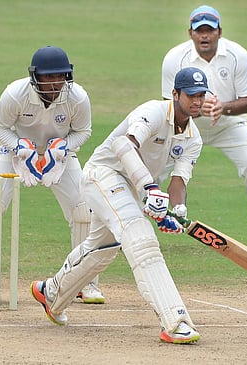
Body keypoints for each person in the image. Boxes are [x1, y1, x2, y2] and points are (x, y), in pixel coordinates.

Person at [30, 67, 210, 344]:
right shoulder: (152, 112)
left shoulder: (193, 138)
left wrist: (176, 211)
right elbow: (122, 147)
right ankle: (176, 321)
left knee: (102, 249)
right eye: (191, 95)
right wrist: (149, 189)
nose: (197, 101)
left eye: (201, 95)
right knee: (141, 239)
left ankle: (52, 292)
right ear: (175, 93)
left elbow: (179, 181)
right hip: (103, 175)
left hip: (131, 188)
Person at [0, 46, 105, 305]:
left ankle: (85, 281)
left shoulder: (77, 97)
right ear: (35, 76)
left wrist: (63, 147)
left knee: (84, 209)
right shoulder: (15, 93)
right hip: (13, 150)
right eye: (48, 77)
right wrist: (19, 147)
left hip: (59, 154)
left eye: (60, 76)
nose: (55, 83)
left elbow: (84, 131)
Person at [162, 5, 247, 252]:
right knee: (150, 173)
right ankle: (126, 233)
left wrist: (222, 108)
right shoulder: (175, 58)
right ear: (190, 33)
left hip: (229, 125)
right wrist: (196, 110)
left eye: (210, 30)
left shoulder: (238, 55)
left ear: (219, 32)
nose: (204, 36)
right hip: (185, 126)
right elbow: (168, 105)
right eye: (199, 31)